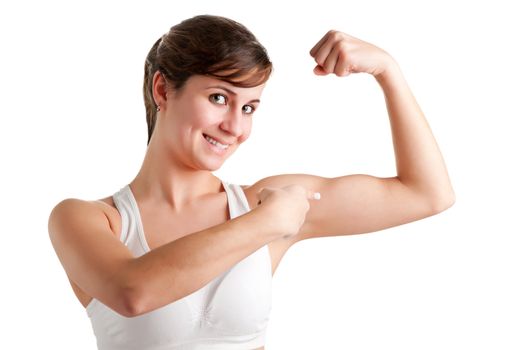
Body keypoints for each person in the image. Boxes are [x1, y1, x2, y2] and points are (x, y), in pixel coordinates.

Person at [48, 14, 455, 350]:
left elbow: (426, 194)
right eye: (219, 98)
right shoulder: (89, 220)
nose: (235, 127)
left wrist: (388, 71)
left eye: (250, 107)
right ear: (163, 89)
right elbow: (131, 292)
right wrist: (267, 224)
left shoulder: (264, 200)